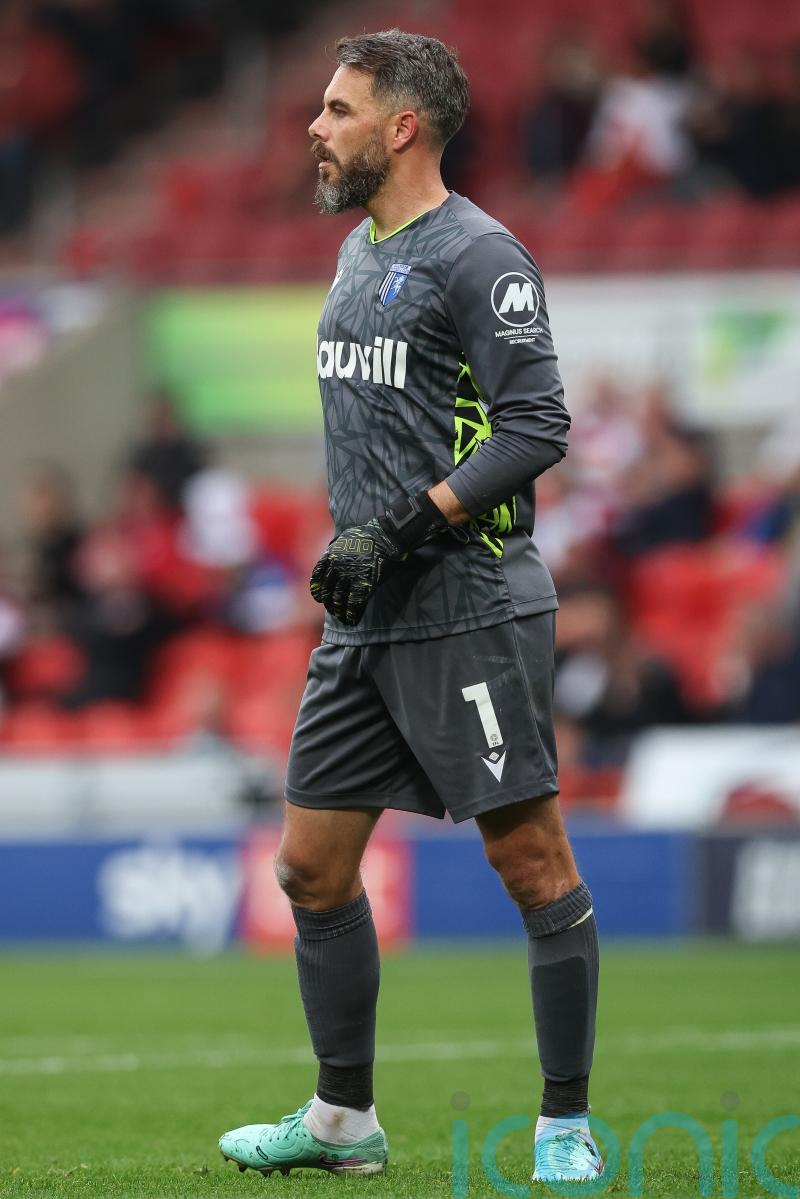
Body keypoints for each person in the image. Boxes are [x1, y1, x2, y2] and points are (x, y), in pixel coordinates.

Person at [219, 29, 602, 1185]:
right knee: (308, 869)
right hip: (363, 617)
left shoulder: (481, 256)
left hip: (465, 602)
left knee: (530, 860)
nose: (313, 127)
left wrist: (401, 525)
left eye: (337, 110)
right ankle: (343, 1122)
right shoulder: (355, 252)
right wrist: (351, 539)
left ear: (402, 127)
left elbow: (538, 426)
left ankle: (562, 1125)